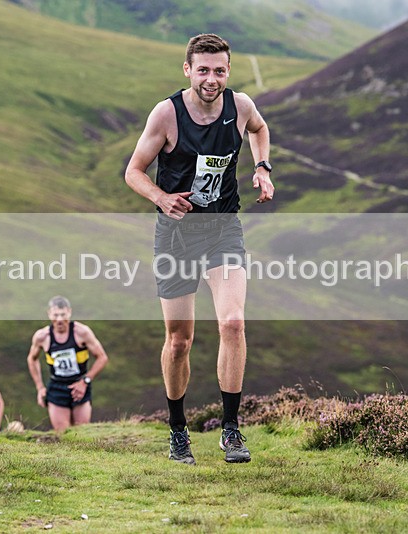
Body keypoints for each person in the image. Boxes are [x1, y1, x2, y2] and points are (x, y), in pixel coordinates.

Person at [124, 33, 274, 464]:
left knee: (233, 323)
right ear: (188, 70)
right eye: (203, 70)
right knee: (179, 341)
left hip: (223, 229)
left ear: (228, 71)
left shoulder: (240, 106)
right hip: (175, 236)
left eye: (220, 70)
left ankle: (230, 430)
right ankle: (178, 431)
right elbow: (133, 171)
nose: (212, 79)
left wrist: (262, 167)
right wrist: (160, 197)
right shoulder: (167, 114)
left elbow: (259, 129)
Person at [26, 296, 109, 432]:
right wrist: (40, 387)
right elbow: (32, 359)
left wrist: (85, 381)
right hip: (57, 386)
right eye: (55, 315)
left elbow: (102, 357)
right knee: (62, 434)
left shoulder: (82, 332)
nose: (59, 319)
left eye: (63, 315)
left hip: (79, 385)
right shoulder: (42, 337)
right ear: (49, 314)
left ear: (69, 312)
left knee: (82, 432)